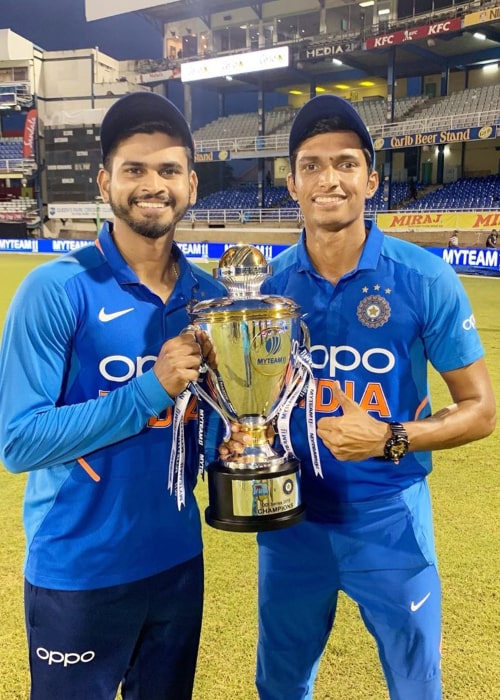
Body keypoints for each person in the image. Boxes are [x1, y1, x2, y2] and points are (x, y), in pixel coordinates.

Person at [223, 94, 496, 700]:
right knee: (281, 684)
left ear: (371, 178)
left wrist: (391, 436)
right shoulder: (267, 289)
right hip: (290, 521)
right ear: (291, 182)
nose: (329, 179)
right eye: (312, 165)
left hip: (390, 519)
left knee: (416, 684)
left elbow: (481, 411)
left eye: (346, 163)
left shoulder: (424, 277)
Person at [0, 92, 225, 700]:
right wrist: (149, 389)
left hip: (178, 564)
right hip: (79, 570)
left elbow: (213, 433)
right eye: (135, 169)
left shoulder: (214, 297)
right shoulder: (54, 290)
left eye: (169, 170)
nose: (153, 184)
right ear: (106, 182)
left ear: (192, 185)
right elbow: (19, 442)